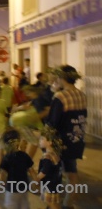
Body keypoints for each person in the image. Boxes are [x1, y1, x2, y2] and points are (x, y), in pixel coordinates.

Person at [48, 65, 87, 209]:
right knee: (72, 171)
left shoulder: (60, 97)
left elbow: (52, 122)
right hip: (76, 140)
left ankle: (54, 204)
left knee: (54, 175)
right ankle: (69, 203)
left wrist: (46, 140)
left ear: (62, 78)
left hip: (60, 142)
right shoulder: (82, 94)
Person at [0, 129, 36, 209]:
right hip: (24, 188)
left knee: (11, 206)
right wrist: (36, 181)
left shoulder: (7, 158)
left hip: (12, 189)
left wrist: (2, 183)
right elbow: (31, 170)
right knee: (24, 205)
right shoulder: (24, 155)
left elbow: (3, 173)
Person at [36, 125, 64, 209]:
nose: (39, 141)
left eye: (42, 139)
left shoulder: (47, 157)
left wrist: (37, 178)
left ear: (50, 142)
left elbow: (45, 171)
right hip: (56, 183)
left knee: (50, 202)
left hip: (49, 185)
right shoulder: (55, 154)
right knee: (54, 201)